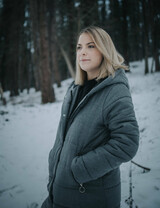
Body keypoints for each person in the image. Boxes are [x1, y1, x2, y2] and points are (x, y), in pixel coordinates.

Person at [41, 26, 139, 208]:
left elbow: (127, 142)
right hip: (59, 191)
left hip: (89, 196)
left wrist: (80, 169)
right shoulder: (76, 89)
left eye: (91, 46)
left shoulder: (114, 90)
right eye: (79, 47)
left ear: (104, 50)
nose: (82, 52)